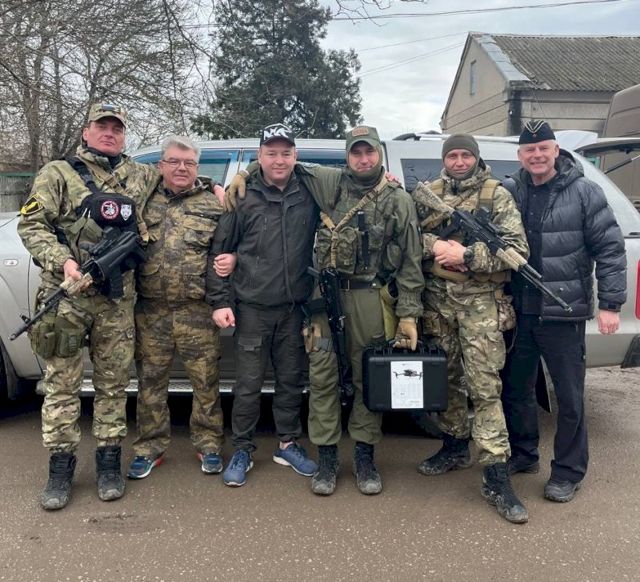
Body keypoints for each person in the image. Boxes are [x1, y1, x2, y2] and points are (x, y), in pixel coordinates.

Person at [17, 103, 158, 509]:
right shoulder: (58, 172)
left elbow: (182, 178)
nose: (110, 133)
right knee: (62, 384)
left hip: (116, 299)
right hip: (67, 295)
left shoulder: (141, 174)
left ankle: (109, 462)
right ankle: (60, 468)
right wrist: (63, 261)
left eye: (117, 128)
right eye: (102, 126)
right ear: (87, 131)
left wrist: (219, 186)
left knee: (114, 383)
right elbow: (31, 224)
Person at [501, 120, 626, 503]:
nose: (537, 155)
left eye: (544, 148)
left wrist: (610, 305)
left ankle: (568, 472)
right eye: (530, 150)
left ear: (556, 151)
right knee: (516, 390)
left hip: (563, 312)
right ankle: (524, 454)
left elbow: (610, 249)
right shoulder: (510, 191)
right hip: (520, 312)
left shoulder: (585, 192)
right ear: (520, 155)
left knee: (570, 399)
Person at [298, 126, 424, 496]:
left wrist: (408, 315)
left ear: (379, 154)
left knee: (369, 377)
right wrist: (244, 174)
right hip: (325, 299)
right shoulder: (330, 183)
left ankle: (365, 458)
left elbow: (411, 262)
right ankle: (327, 459)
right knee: (322, 376)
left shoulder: (397, 199)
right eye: (356, 152)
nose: (363, 159)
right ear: (347, 156)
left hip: (371, 299)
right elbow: (280, 162)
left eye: (369, 152)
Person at [412, 133, 530, 524]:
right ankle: (454, 446)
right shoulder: (428, 193)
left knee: (484, 387)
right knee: (445, 380)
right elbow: (407, 237)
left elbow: (516, 252)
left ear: (476, 158)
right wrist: (435, 247)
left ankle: (496, 473)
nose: (459, 161)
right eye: (453, 155)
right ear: (444, 159)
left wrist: (465, 253)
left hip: (480, 303)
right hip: (437, 302)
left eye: (466, 155)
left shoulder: (497, 195)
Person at [207, 123, 319, 487]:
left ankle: (287, 444)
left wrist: (387, 179)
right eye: (271, 153)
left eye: (286, 153)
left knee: (291, 380)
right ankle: (242, 449)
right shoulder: (242, 196)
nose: (279, 160)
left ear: (295, 156)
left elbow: (349, 184)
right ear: (260, 156)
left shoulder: (309, 191)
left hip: (294, 308)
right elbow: (221, 252)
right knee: (248, 385)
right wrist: (220, 301)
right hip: (252, 309)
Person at [127, 135, 232, 480]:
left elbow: (231, 245)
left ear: (197, 168)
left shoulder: (214, 204)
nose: (181, 168)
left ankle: (209, 444)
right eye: (174, 161)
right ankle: (149, 447)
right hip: (151, 311)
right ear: (161, 166)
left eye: (189, 163)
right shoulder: (142, 201)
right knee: (150, 384)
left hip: (197, 311)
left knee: (206, 383)